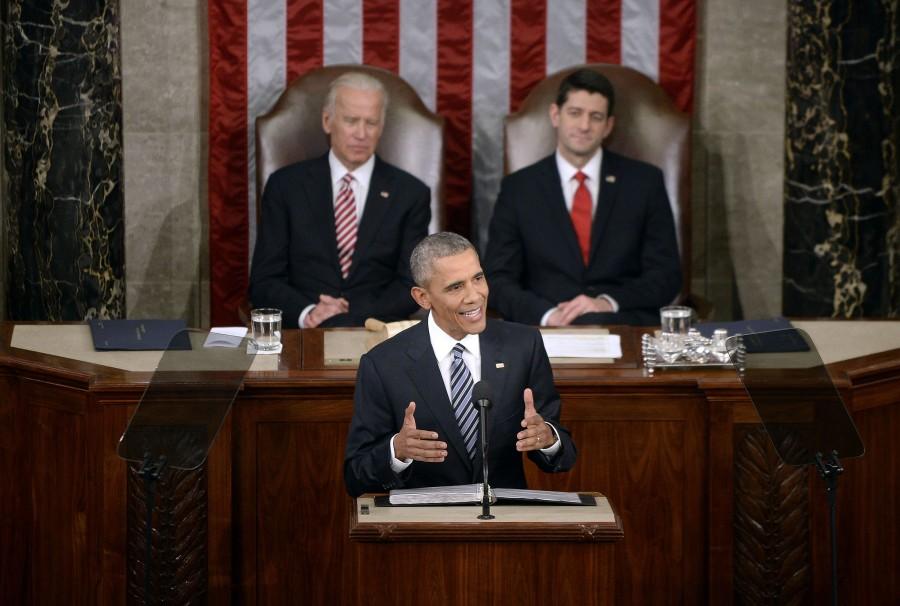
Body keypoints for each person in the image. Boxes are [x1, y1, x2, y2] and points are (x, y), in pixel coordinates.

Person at [344, 232, 577, 497]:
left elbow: (564, 455)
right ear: (422, 297)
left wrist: (548, 439)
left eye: (478, 278)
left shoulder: (524, 346)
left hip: (503, 524)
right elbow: (355, 476)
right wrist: (396, 450)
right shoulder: (383, 364)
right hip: (424, 527)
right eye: (456, 287)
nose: (474, 296)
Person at [485, 68, 681, 326]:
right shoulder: (518, 188)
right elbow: (498, 280)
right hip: (545, 329)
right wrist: (546, 315)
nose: (584, 126)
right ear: (556, 115)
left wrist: (606, 301)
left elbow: (666, 276)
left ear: (608, 125)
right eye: (575, 113)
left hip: (623, 324)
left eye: (596, 117)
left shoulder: (645, 183)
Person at [249, 72, 430, 328]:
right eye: (350, 120)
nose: (361, 133)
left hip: (376, 333)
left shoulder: (410, 193)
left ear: (381, 128)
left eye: (371, 122)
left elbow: (410, 285)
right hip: (303, 335)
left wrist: (349, 317)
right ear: (327, 121)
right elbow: (265, 281)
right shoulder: (286, 186)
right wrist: (309, 313)